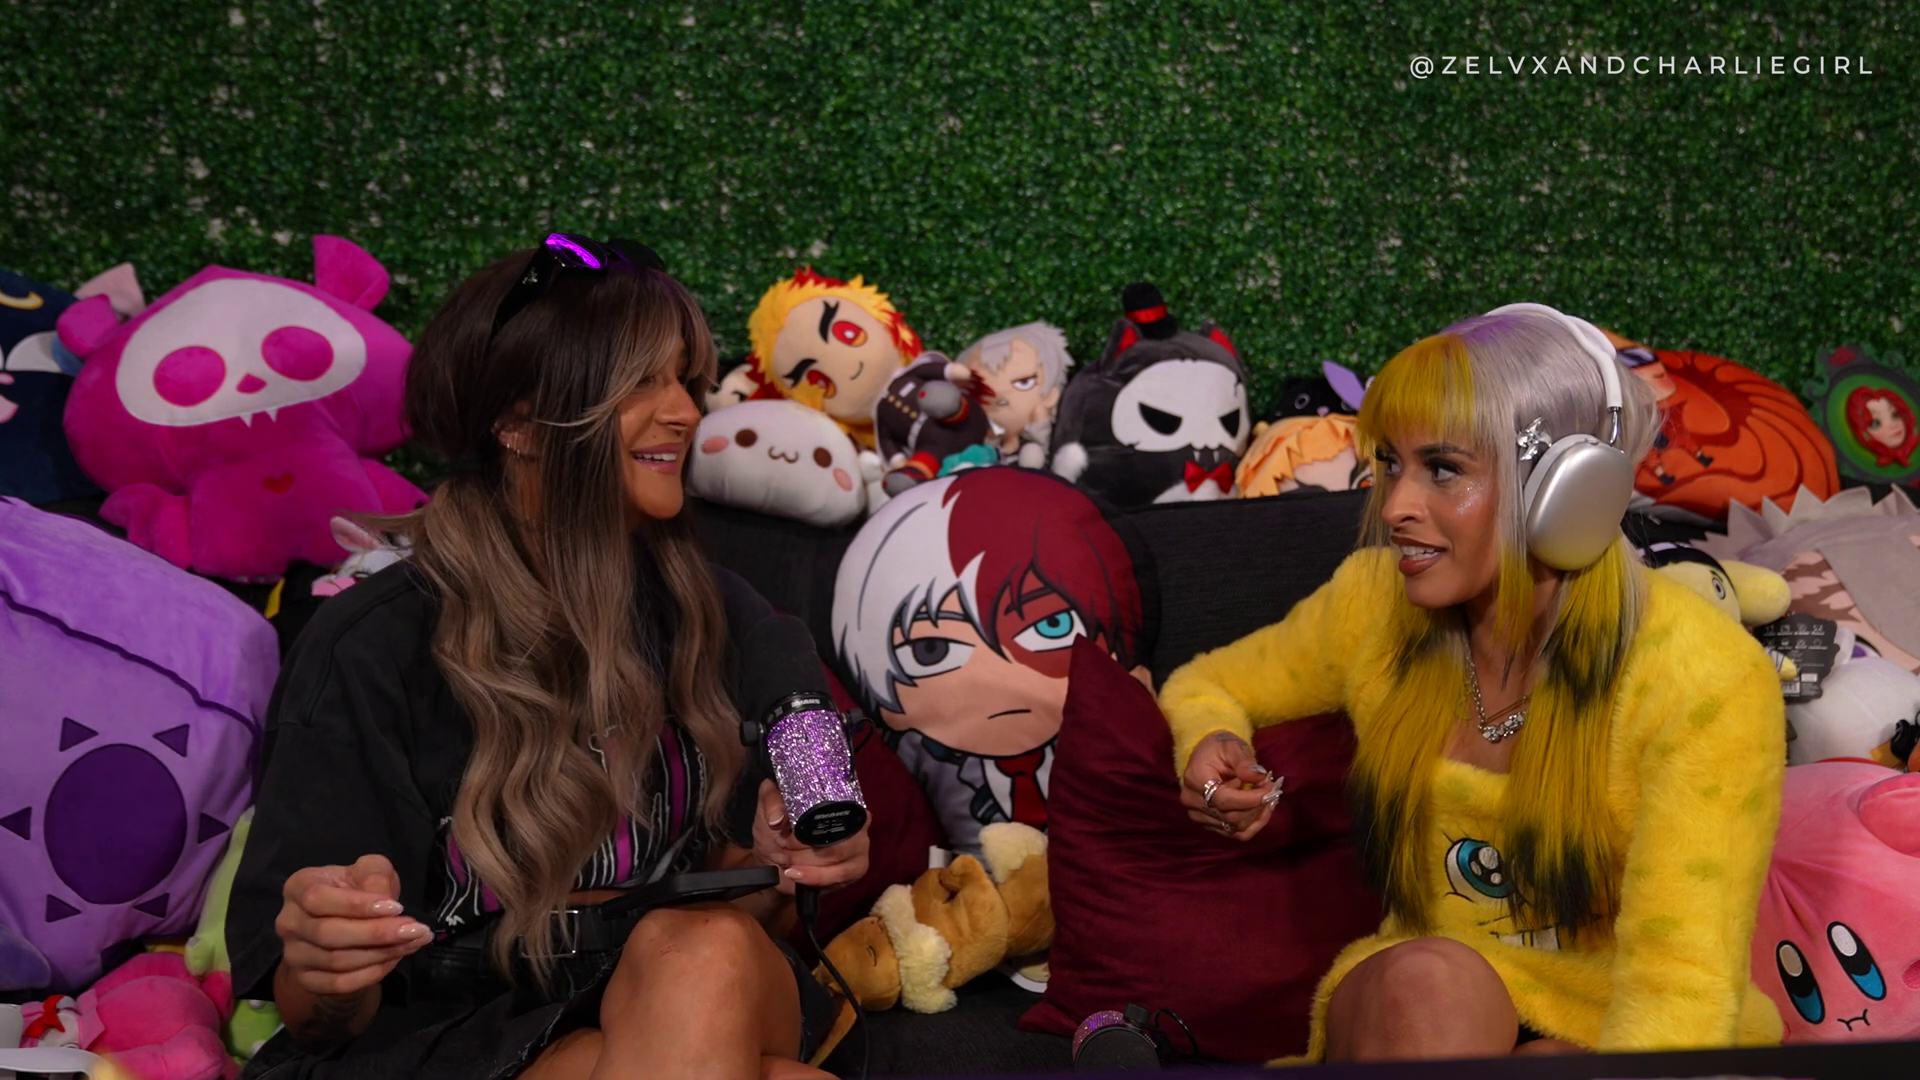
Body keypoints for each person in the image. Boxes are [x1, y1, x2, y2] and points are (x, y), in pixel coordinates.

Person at [227, 235, 869, 1080]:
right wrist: (328, 959)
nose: (684, 412)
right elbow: (316, 1020)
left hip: (693, 988)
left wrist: (784, 864)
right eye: (639, 382)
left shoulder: (724, 615)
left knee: (702, 949)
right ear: (518, 424)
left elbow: (744, 918)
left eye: (684, 379)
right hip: (454, 1036)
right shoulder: (374, 645)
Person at [1159, 304, 1787, 1061]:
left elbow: (1680, 986)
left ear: (1569, 489)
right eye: (1391, 464)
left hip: (1614, 1016)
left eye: (1443, 469)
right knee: (1434, 983)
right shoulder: (1372, 602)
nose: (1394, 506)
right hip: (1418, 1006)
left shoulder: (1704, 676)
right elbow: (1208, 682)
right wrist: (1211, 743)